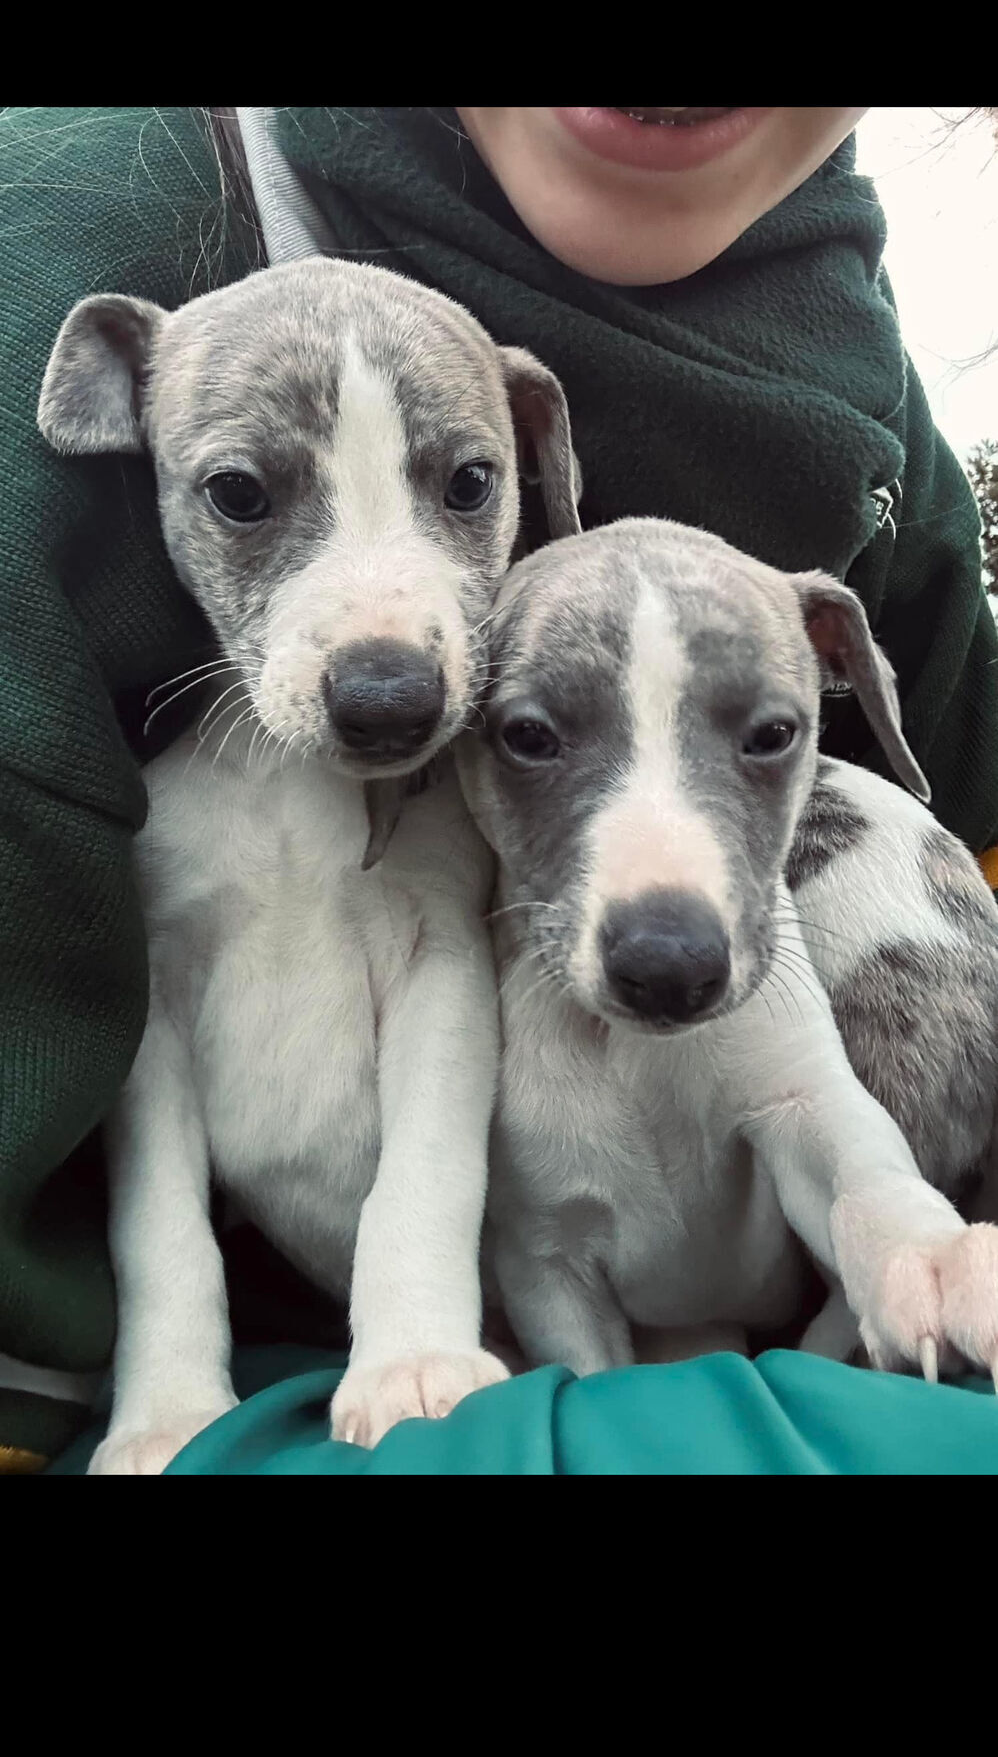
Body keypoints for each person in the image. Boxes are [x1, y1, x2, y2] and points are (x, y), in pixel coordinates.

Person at [2, 104, 995, 1476]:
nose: (391, 656)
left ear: (539, 462)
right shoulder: (79, 208)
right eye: (242, 496)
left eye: (467, 487)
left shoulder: (872, 403)